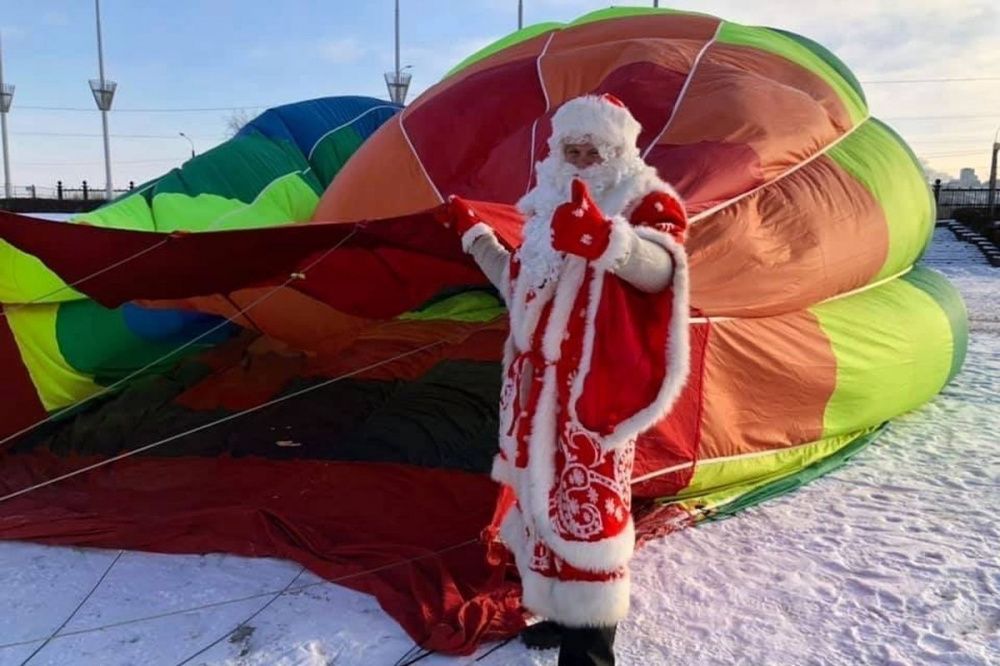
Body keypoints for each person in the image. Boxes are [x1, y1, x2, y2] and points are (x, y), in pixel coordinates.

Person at [440, 94, 692, 666]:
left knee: (589, 514)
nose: (580, 160)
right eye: (570, 149)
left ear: (619, 151)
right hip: (533, 394)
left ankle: (591, 646)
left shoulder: (645, 201)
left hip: (591, 393)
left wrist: (609, 242)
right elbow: (518, 286)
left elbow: (662, 274)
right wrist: (476, 235)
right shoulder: (543, 208)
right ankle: (557, 612)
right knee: (538, 503)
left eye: (592, 150)